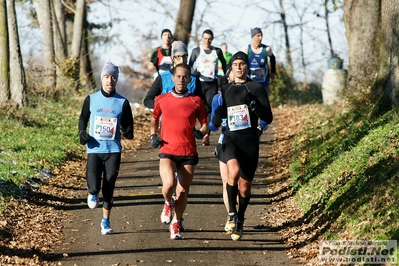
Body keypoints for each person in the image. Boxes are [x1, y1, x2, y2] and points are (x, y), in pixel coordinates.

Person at [212, 52, 273, 241]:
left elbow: (268, 117)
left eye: (242, 64)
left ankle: (240, 217)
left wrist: (254, 106)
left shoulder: (256, 87)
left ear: (247, 67)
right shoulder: (226, 89)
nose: (239, 67)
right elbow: (215, 120)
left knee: (245, 188)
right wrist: (219, 113)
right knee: (233, 172)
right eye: (235, 64)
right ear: (231, 67)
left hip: (250, 142)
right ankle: (231, 213)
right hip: (231, 138)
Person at [149, 63, 209, 240]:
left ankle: (176, 223)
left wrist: (201, 132)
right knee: (168, 184)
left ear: (189, 80)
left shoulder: (196, 101)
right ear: (173, 78)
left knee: (183, 192)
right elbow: (154, 119)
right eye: (178, 76)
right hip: (167, 148)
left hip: (188, 151)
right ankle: (168, 203)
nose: (181, 80)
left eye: (185, 77)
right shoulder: (161, 99)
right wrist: (153, 136)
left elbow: (205, 124)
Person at [78, 62, 134, 235]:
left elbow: (128, 125)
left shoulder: (122, 102)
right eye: (107, 77)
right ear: (102, 78)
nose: (110, 80)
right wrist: (82, 133)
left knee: (109, 187)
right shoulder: (91, 99)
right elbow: (83, 118)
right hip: (94, 149)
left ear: (116, 80)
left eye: (113, 77)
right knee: (95, 188)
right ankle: (92, 193)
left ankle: (105, 222)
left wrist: (128, 132)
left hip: (113, 150)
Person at [143, 41, 208, 111]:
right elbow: (147, 100)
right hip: (167, 119)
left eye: (184, 56)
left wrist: (206, 107)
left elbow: (201, 102)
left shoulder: (194, 79)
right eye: (178, 56)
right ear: (173, 58)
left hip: (188, 120)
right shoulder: (163, 77)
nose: (182, 60)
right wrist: (162, 107)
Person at [188, 29, 227, 146]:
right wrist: (192, 75)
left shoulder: (217, 51)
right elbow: (189, 66)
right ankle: (193, 131)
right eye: (205, 38)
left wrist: (224, 79)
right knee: (197, 106)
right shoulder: (196, 51)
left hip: (212, 83)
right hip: (199, 83)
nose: (207, 41)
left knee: (209, 107)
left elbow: (224, 64)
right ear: (202, 38)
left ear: (212, 39)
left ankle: (206, 135)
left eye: (209, 39)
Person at [209, 68, 234, 232]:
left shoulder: (249, 92)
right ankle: (231, 215)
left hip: (244, 143)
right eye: (231, 71)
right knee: (226, 181)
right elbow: (212, 124)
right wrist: (217, 118)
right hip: (225, 141)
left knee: (240, 183)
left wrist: (259, 128)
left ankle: (238, 211)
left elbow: (264, 120)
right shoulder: (218, 98)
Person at [241, 27, 276, 135]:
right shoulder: (247, 49)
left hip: (263, 81)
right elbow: (240, 60)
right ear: (253, 37)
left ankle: (262, 125)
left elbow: (273, 58)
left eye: (261, 36)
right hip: (251, 82)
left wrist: (273, 72)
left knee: (264, 105)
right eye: (258, 36)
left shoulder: (267, 49)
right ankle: (249, 126)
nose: (260, 38)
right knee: (251, 104)